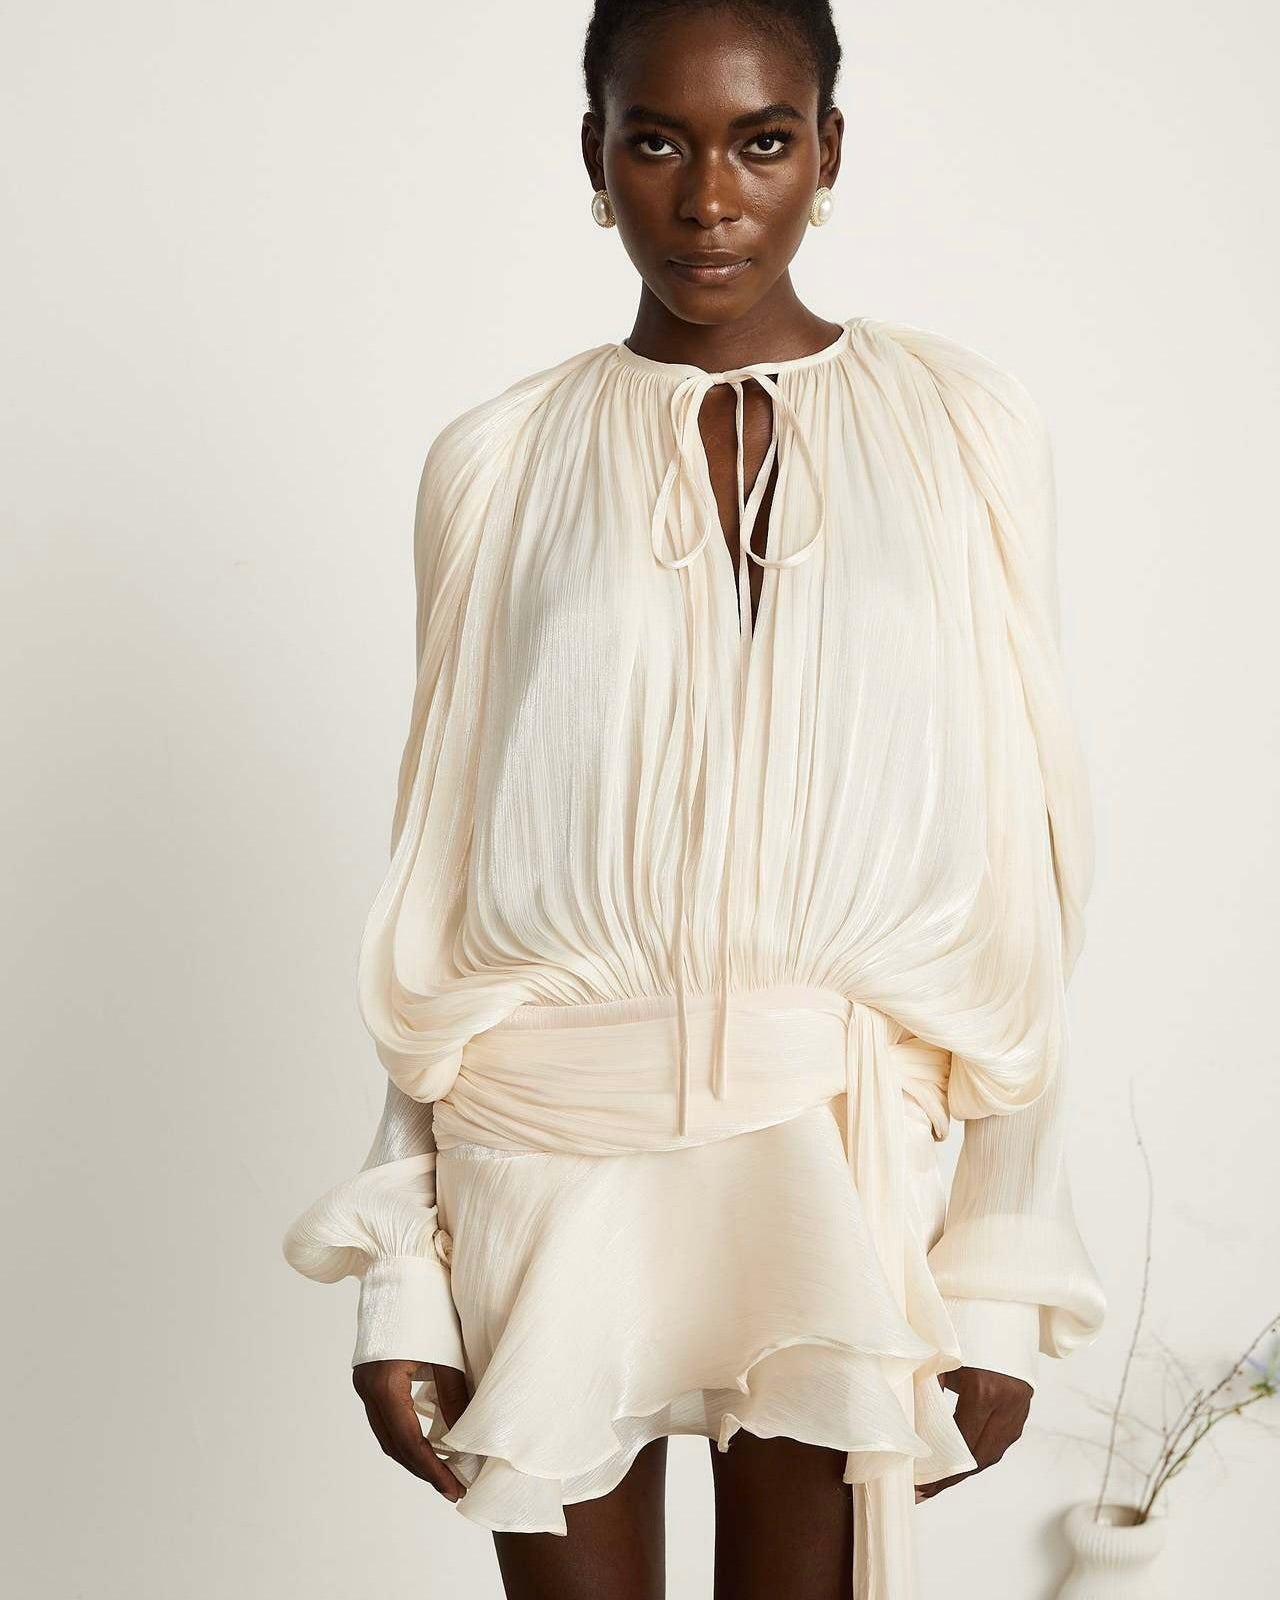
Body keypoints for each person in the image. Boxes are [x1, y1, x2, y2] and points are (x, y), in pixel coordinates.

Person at [282, 3, 1107, 1596]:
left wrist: (1000, 1267)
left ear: (829, 150)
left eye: (762, 141)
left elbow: (1028, 871)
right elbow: (441, 895)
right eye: (656, 141)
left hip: (836, 1144)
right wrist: (402, 1275)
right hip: (542, 1141)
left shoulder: (964, 429)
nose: (710, 198)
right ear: (595, 157)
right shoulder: (496, 461)